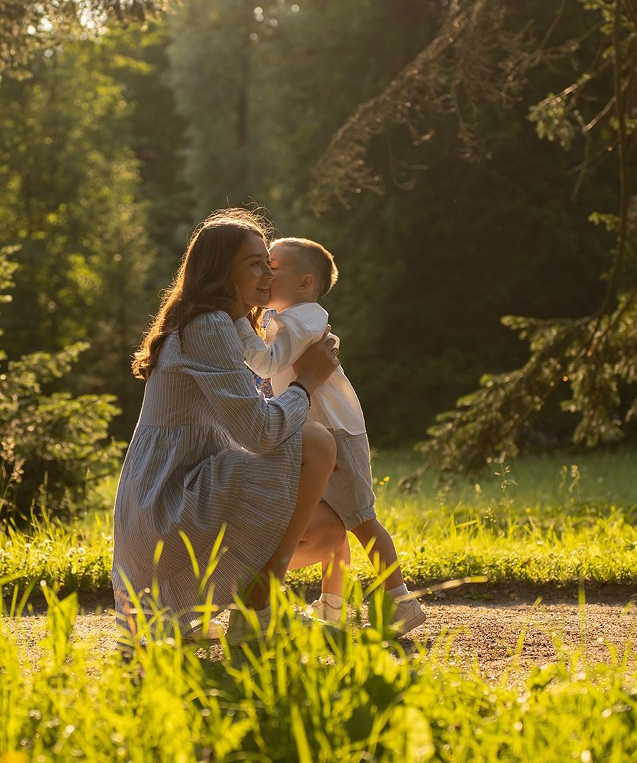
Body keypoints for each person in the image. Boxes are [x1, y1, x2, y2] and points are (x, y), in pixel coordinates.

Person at [111, 208, 345, 642]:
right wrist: (309, 382)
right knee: (315, 443)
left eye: (270, 265)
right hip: (166, 508)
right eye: (255, 264)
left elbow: (248, 433)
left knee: (327, 529)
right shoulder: (209, 325)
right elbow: (259, 434)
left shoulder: (220, 326)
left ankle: (223, 605)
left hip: (170, 507)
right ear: (222, 271)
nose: (268, 276)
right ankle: (259, 604)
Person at [235, 237, 426, 636]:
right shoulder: (289, 318)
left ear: (305, 282)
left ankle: (400, 600)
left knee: (360, 518)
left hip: (335, 433)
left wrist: (238, 322)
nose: (266, 274)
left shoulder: (303, 318)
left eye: (274, 266)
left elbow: (267, 364)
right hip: (321, 431)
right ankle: (332, 607)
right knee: (336, 522)